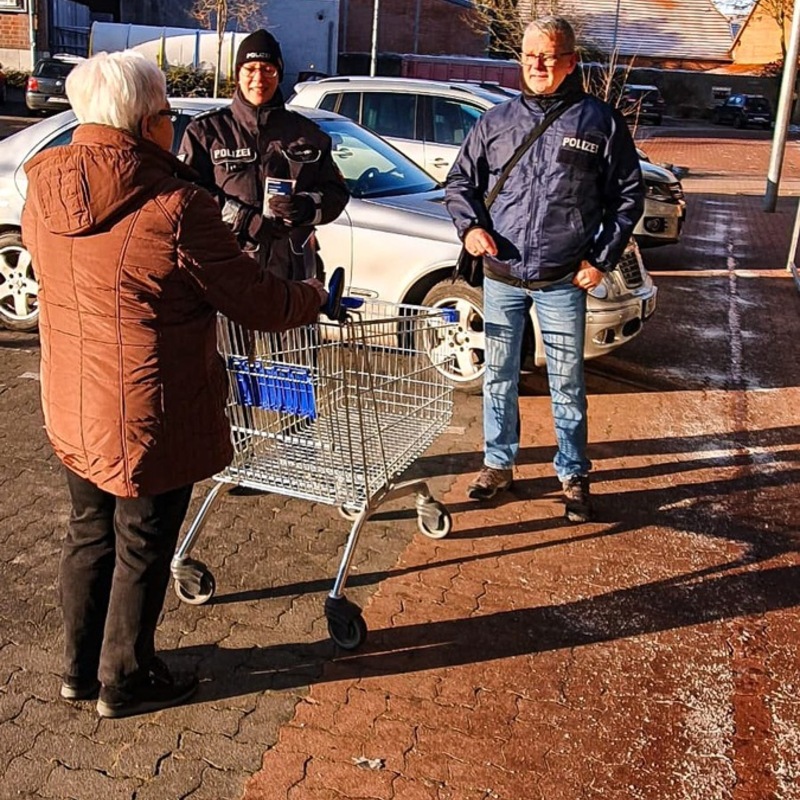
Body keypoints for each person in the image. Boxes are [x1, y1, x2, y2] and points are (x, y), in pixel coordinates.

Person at [21, 50, 327, 719]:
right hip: (148, 411)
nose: (173, 124)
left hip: (72, 398)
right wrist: (313, 296)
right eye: (166, 113)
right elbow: (258, 301)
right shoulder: (175, 206)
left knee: (89, 530)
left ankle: (78, 670)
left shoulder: (40, 189)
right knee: (142, 542)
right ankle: (125, 679)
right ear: (145, 124)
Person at [444, 16, 644, 522]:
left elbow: (627, 197)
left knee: (566, 382)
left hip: (562, 278)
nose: (537, 64)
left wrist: (600, 259)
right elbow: (460, 183)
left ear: (570, 62)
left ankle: (573, 473)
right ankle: (497, 465)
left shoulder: (599, 122)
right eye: (530, 55)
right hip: (502, 274)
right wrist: (470, 228)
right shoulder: (496, 121)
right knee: (498, 377)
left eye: (549, 56)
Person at [178, 29, 349, 282]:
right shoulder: (206, 131)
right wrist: (243, 219)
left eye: (268, 69)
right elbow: (186, 195)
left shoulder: (307, 134)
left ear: (279, 74)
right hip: (226, 273)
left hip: (291, 275)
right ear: (238, 74)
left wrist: (306, 207)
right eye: (250, 69)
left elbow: (336, 194)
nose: (259, 78)